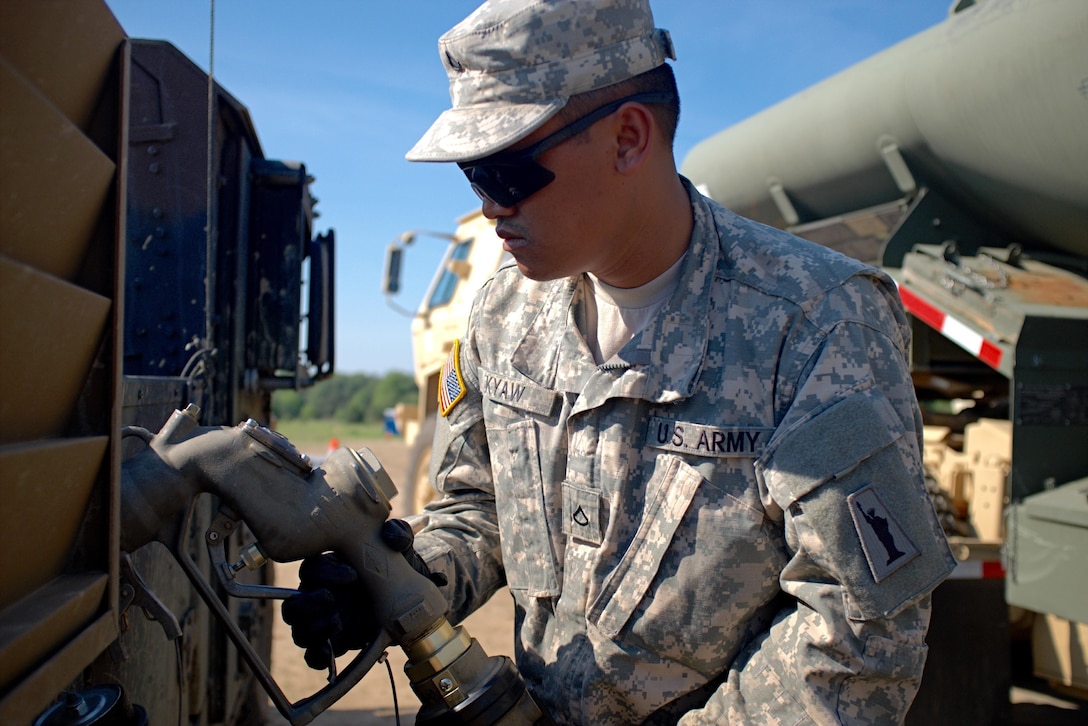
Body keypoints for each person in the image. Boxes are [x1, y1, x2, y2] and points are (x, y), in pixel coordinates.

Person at [285, 1, 956, 723]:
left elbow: (860, 641)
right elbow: (478, 508)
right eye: (470, 176)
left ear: (628, 137)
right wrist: (401, 582)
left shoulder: (815, 323)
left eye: (506, 171)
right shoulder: (500, 317)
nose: (488, 207)